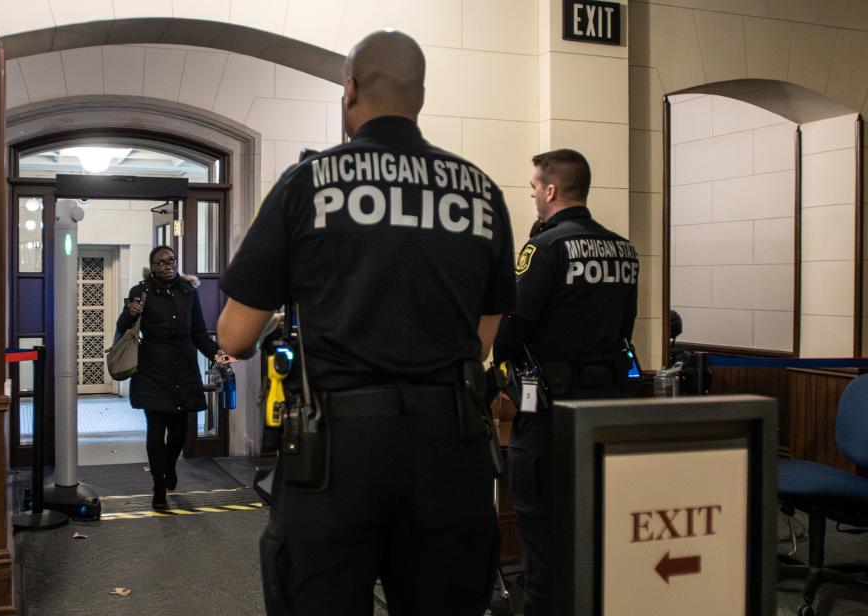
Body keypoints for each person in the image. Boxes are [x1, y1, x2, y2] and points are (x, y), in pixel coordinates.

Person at [216, 29, 516, 616]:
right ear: (421, 96)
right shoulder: (481, 192)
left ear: (350, 90)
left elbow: (235, 335)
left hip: (336, 454)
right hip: (450, 448)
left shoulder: (308, 182)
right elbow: (484, 335)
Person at [493, 149, 639, 615]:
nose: (533, 194)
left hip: (547, 413)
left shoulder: (546, 247)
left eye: (535, 186)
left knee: (541, 530)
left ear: (552, 190)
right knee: (594, 523)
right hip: (605, 414)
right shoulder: (624, 249)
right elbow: (625, 330)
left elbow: (511, 328)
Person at [116, 245, 230, 510]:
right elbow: (123, 329)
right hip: (152, 370)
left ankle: (169, 467)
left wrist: (222, 357)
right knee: (156, 436)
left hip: (183, 369)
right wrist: (128, 313)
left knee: (179, 434)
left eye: (172, 261)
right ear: (152, 266)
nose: (169, 265)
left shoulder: (188, 292)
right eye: (162, 262)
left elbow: (199, 333)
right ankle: (158, 486)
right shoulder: (140, 291)